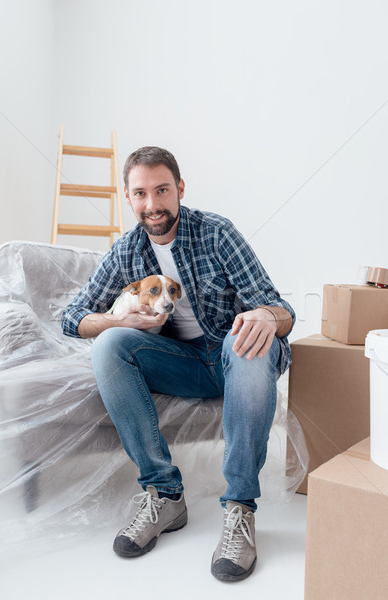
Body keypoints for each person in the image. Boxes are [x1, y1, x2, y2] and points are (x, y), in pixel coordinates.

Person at [62, 146, 295, 582]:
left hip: (234, 359)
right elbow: (73, 317)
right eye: (141, 194)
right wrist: (116, 319)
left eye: (162, 190)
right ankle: (164, 494)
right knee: (109, 344)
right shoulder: (126, 252)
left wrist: (265, 316)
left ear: (180, 189)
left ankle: (240, 509)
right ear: (128, 198)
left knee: (249, 341)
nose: (152, 205)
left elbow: (279, 308)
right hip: (182, 364)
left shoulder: (216, 233)